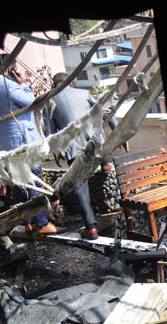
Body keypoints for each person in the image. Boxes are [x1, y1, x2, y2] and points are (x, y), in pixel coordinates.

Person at [0, 53, 60, 235]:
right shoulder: (9, 85)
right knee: (35, 182)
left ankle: (27, 222)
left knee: (18, 184)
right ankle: (41, 223)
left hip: (6, 141)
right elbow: (30, 101)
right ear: (11, 68)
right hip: (23, 139)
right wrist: (24, 85)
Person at [43, 72, 126, 240]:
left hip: (75, 149)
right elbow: (104, 110)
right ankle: (104, 164)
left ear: (55, 85)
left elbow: (51, 133)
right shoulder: (83, 93)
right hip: (95, 143)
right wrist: (119, 133)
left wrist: (57, 154)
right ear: (71, 83)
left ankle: (91, 227)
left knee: (81, 187)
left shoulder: (50, 102)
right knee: (95, 135)